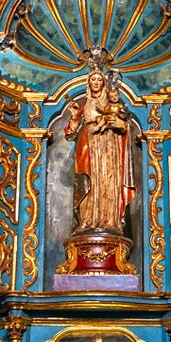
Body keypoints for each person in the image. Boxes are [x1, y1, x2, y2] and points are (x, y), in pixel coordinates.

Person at [65, 70, 133, 233]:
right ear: (88, 82)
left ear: (104, 83)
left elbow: (124, 125)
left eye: (99, 80)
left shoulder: (112, 100)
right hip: (88, 145)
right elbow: (70, 134)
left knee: (109, 180)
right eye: (93, 79)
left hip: (110, 146)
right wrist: (74, 117)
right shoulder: (83, 103)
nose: (96, 82)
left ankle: (110, 221)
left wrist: (120, 124)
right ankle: (87, 221)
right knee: (89, 182)